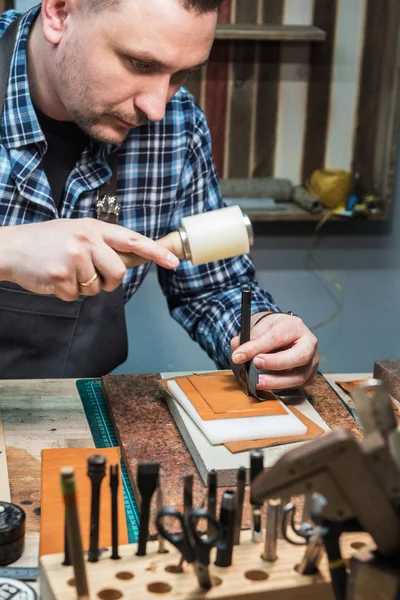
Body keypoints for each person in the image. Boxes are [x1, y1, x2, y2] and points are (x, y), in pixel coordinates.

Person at [0, 0, 319, 385]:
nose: (155, 108)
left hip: (74, 416)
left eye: (181, 74)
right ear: (60, 12)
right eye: (140, 65)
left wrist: (263, 334)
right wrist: (9, 250)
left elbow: (212, 287)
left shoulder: (178, 125)